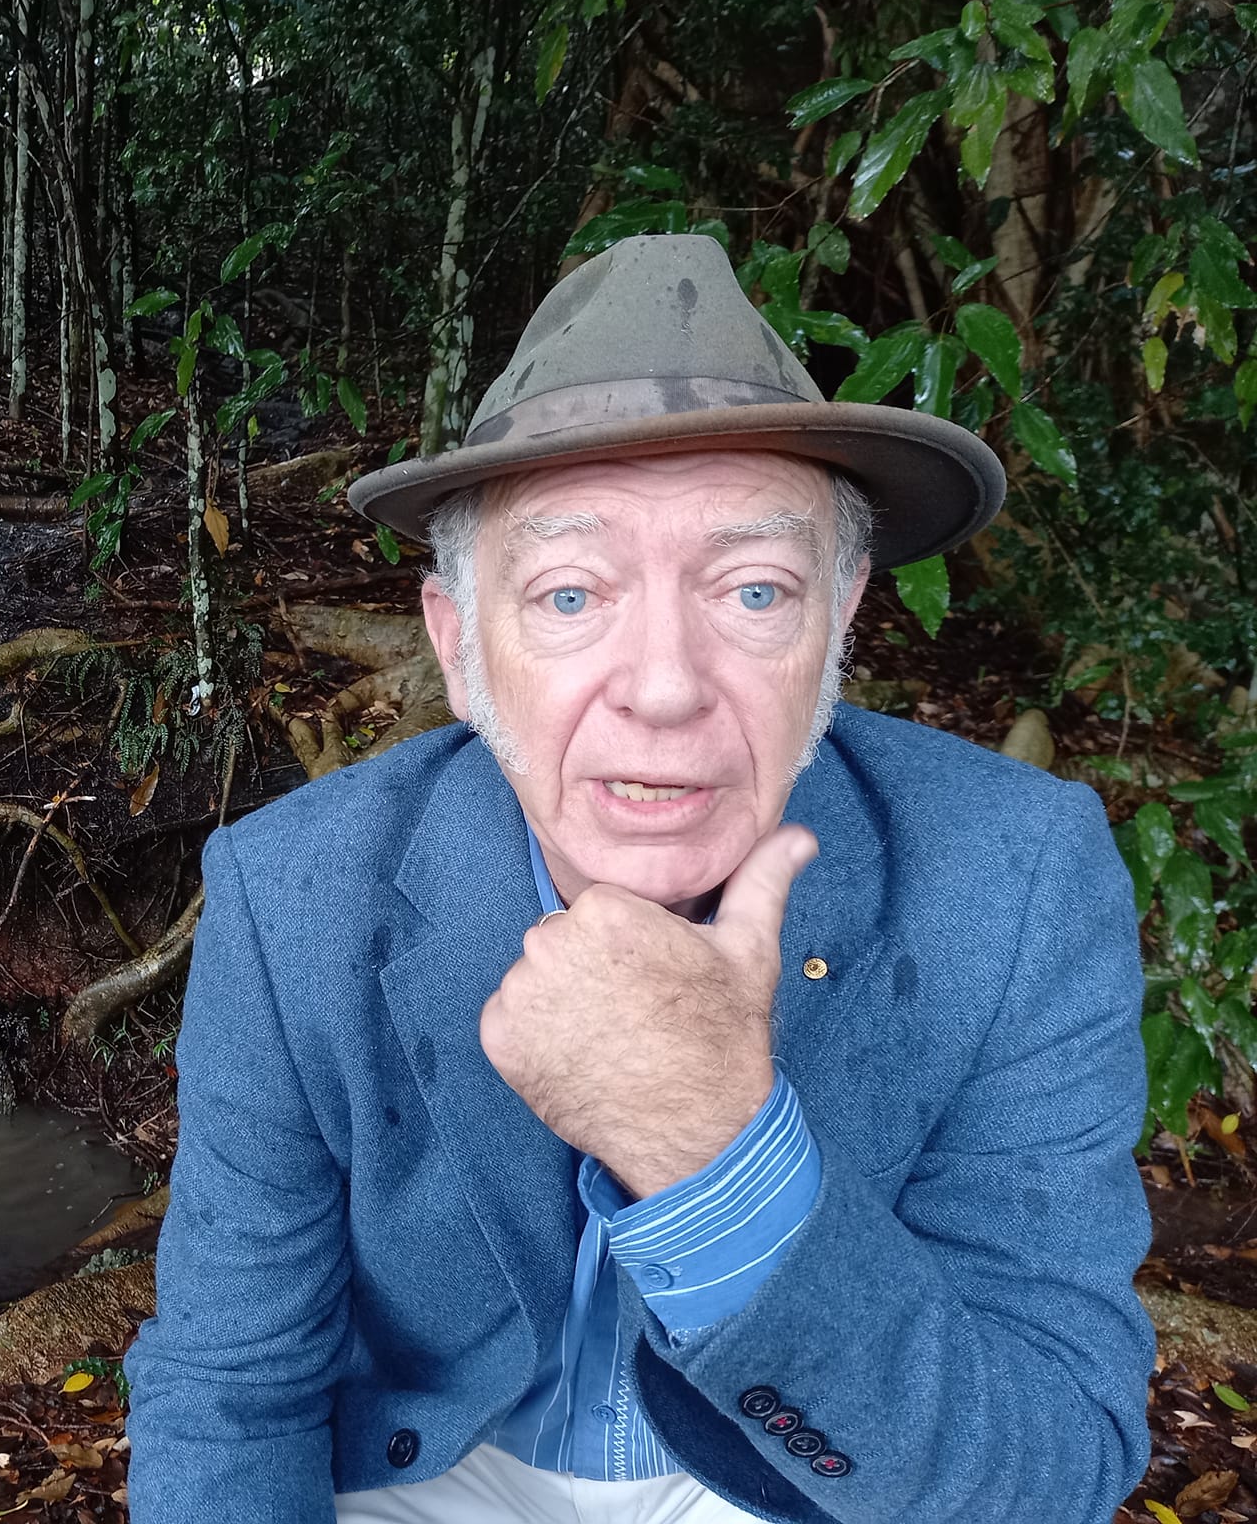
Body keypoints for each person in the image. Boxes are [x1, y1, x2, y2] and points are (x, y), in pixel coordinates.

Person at [121, 234, 1153, 1524]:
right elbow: (230, 1389)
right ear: (458, 648)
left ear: (840, 627)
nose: (663, 686)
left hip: (805, 1465)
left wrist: (719, 1156)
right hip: (428, 1471)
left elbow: (1052, 1463)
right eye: (567, 594)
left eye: (756, 589)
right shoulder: (294, 894)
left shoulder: (1016, 877)